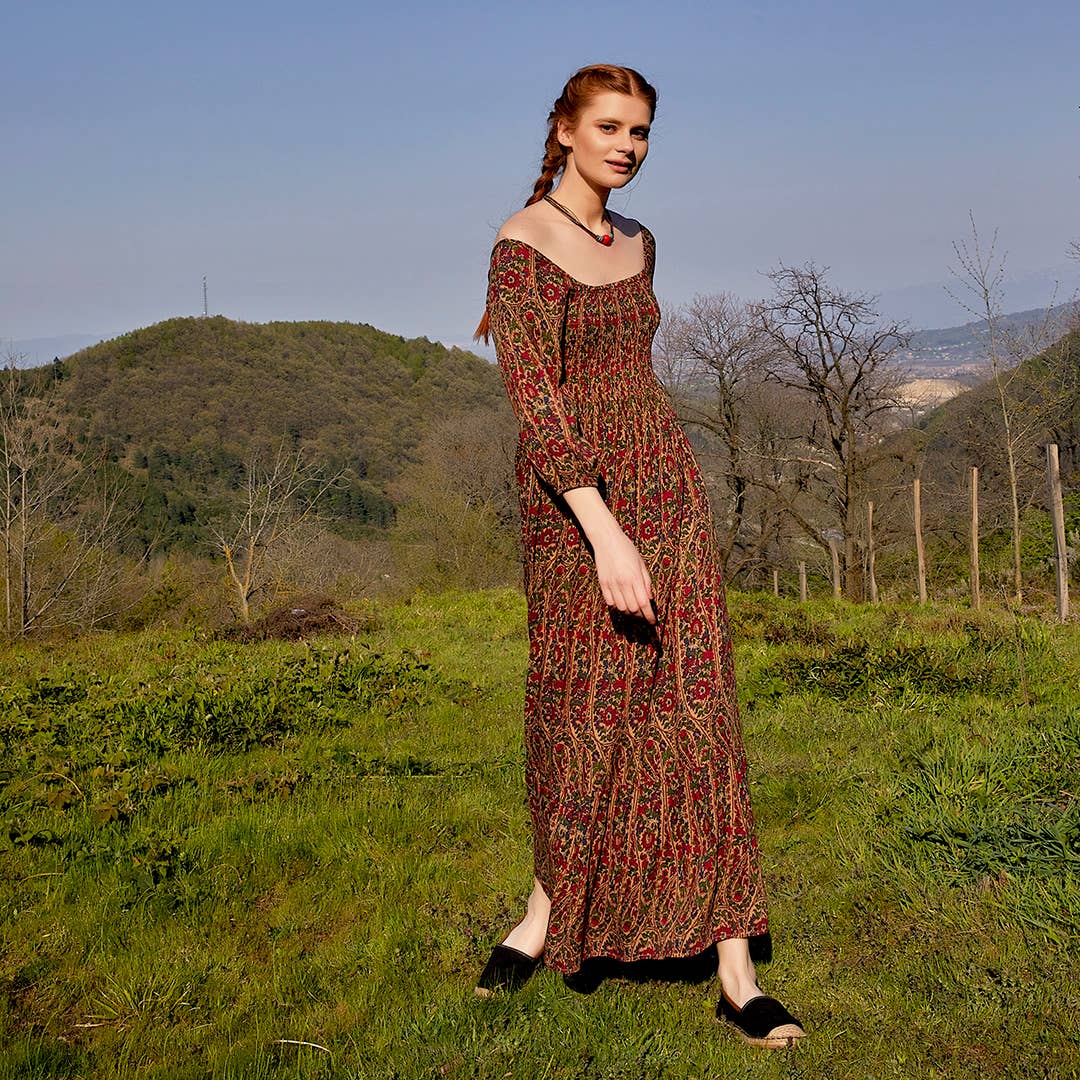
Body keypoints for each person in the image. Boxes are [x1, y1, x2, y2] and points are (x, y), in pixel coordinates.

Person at [471, 63, 805, 1051]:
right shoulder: (519, 247)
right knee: (585, 718)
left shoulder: (641, 242)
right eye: (610, 126)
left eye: (643, 131)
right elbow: (540, 408)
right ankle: (546, 913)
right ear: (565, 130)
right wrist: (605, 533)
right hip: (576, 515)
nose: (628, 145)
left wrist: (655, 514)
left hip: (668, 490)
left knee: (700, 710)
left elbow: (636, 378)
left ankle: (735, 973)